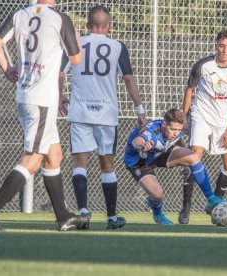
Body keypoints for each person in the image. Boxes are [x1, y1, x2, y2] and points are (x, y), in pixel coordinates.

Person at [0, 0, 84, 231]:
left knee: (54, 155)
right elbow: (76, 60)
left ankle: (63, 217)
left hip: (25, 95)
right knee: (33, 160)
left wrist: (8, 69)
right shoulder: (60, 19)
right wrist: (75, 41)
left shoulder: (19, 14)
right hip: (42, 100)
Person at [60, 5, 147, 230]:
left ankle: (83, 214)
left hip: (79, 112)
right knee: (107, 165)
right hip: (106, 114)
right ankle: (111, 217)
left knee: (80, 164)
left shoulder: (76, 43)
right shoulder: (117, 46)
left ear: (88, 26)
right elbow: (128, 79)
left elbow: (60, 74)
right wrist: (139, 109)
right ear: (109, 26)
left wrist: (60, 97)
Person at [179, 30, 227, 224]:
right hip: (201, 116)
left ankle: (214, 202)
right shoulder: (202, 66)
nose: (224, 51)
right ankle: (186, 207)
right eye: (221, 46)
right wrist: (185, 118)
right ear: (216, 46)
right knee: (194, 157)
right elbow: (189, 90)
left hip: (223, 121)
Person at [124, 109, 227, 225]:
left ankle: (210, 198)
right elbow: (136, 141)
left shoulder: (175, 131)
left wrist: (186, 163)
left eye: (178, 129)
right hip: (139, 162)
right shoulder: (152, 132)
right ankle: (158, 214)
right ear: (164, 125)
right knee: (157, 195)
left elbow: (178, 139)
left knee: (193, 157)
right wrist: (142, 145)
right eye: (173, 129)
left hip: (158, 154)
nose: (175, 133)